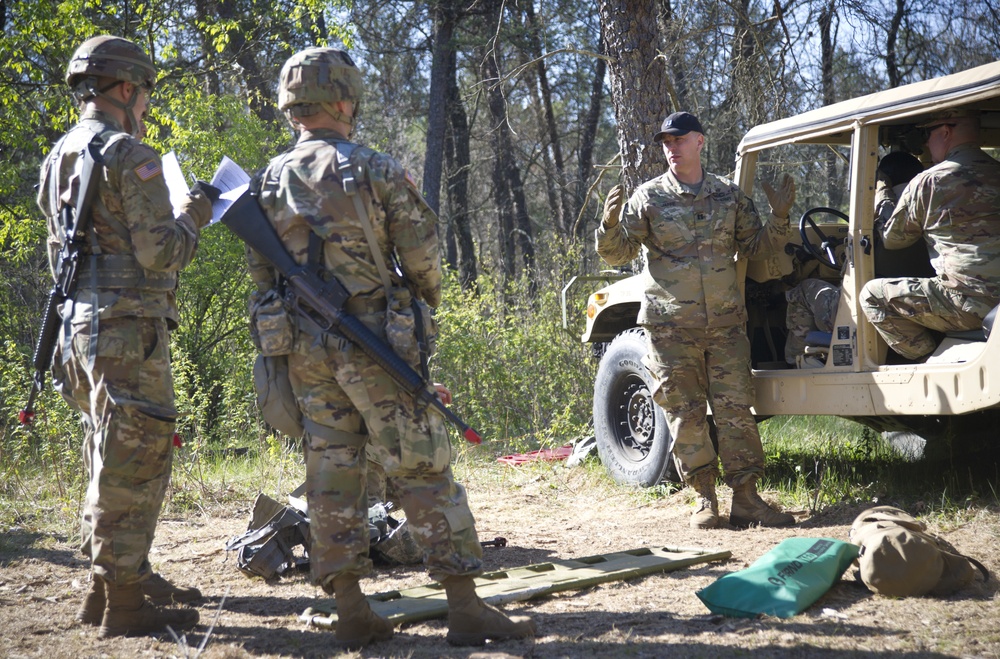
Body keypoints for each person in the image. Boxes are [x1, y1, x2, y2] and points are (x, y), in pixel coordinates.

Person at [244, 47, 535, 648]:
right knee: (422, 466)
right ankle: (465, 608)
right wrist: (419, 302)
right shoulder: (373, 168)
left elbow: (261, 275)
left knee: (330, 473)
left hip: (304, 351)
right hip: (376, 343)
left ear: (292, 105)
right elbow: (423, 257)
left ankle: (352, 611)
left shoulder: (266, 181)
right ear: (344, 100)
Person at [37, 36, 217, 637]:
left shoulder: (59, 154)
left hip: (76, 329)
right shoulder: (129, 155)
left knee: (104, 455)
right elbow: (161, 253)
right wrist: (195, 213)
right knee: (134, 463)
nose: (144, 106)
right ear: (123, 88)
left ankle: (104, 589)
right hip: (125, 329)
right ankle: (126, 603)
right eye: (142, 94)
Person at [596, 111, 797, 530]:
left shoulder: (728, 195)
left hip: (725, 326)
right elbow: (618, 254)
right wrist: (609, 225)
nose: (671, 147)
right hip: (671, 328)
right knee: (685, 414)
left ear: (699, 142)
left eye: (679, 139)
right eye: (666, 142)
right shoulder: (649, 197)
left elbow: (758, 248)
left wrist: (779, 218)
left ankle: (746, 499)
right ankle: (704, 498)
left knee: (735, 412)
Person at [861, 109, 1000, 361]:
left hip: (968, 303)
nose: (925, 143)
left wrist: (882, 192)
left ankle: (926, 362)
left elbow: (892, 239)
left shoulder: (930, 181)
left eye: (927, 134)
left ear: (945, 132)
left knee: (871, 295)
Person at [784, 152, 925, 367]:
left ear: (882, 180)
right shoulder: (930, 206)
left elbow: (852, 270)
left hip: (870, 308)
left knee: (803, 290)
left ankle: (794, 364)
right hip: (918, 302)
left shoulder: (881, 218)